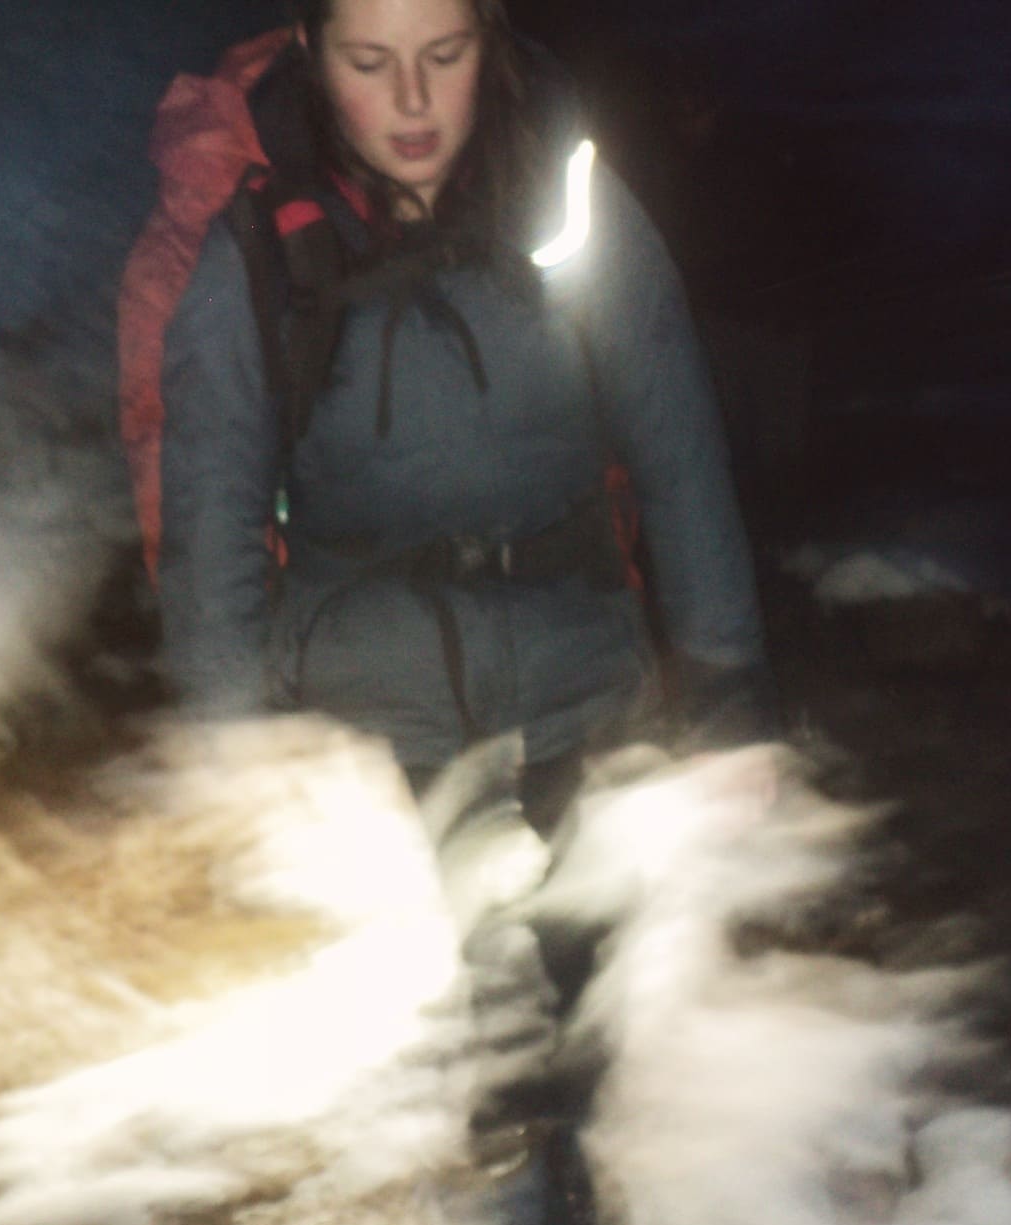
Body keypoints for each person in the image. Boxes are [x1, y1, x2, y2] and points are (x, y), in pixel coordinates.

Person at [157, 0, 776, 833]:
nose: (413, 100)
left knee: (625, 955)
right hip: (362, 757)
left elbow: (680, 447)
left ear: (491, 42)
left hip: (589, 718)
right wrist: (233, 755)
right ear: (311, 53)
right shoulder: (262, 254)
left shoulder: (572, 207)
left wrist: (725, 691)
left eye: (444, 55)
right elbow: (210, 527)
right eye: (370, 63)